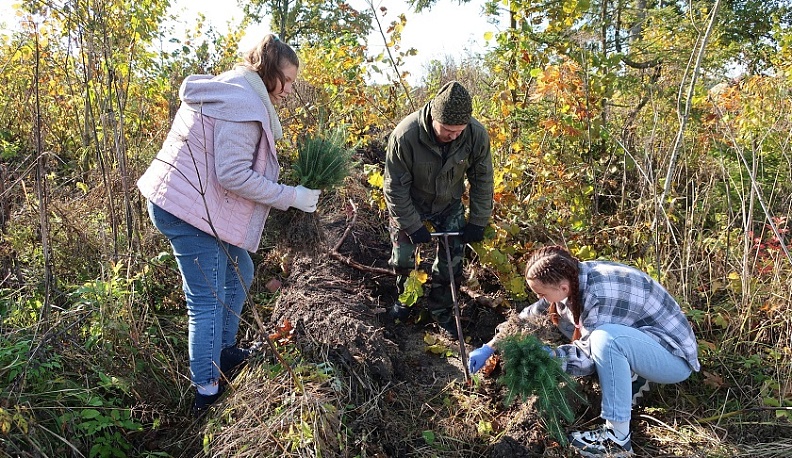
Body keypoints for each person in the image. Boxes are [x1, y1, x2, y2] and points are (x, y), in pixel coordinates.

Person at [137, 34, 321, 416]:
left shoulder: (232, 89)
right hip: (188, 211)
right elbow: (233, 176)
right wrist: (291, 196)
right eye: (285, 80)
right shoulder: (243, 106)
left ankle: (224, 349)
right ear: (267, 71)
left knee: (242, 270)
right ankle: (206, 390)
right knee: (206, 300)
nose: (288, 90)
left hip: (187, 201)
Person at [468, 246, 700, 457]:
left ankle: (618, 440)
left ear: (563, 287)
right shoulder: (575, 277)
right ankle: (633, 377)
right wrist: (490, 346)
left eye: (541, 293)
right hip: (646, 341)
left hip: (672, 358)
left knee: (606, 340)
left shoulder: (597, 295)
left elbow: (591, 354)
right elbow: (530, 314)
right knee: (564, 318)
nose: (539, 298)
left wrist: (553, 357)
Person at [383, 81, 494, 339]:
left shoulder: (476, 135)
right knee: (403, 261)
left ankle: (442, 310)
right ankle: (405, 302)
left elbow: (483, 179)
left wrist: (478, 220)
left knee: (452, 264)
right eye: (447, 130)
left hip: (449, 204)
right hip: (411, 203)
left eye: (459, 130)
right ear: (434, 116)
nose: (453, 135)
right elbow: (395, 188)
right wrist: (412, 225)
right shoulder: (405, 136)